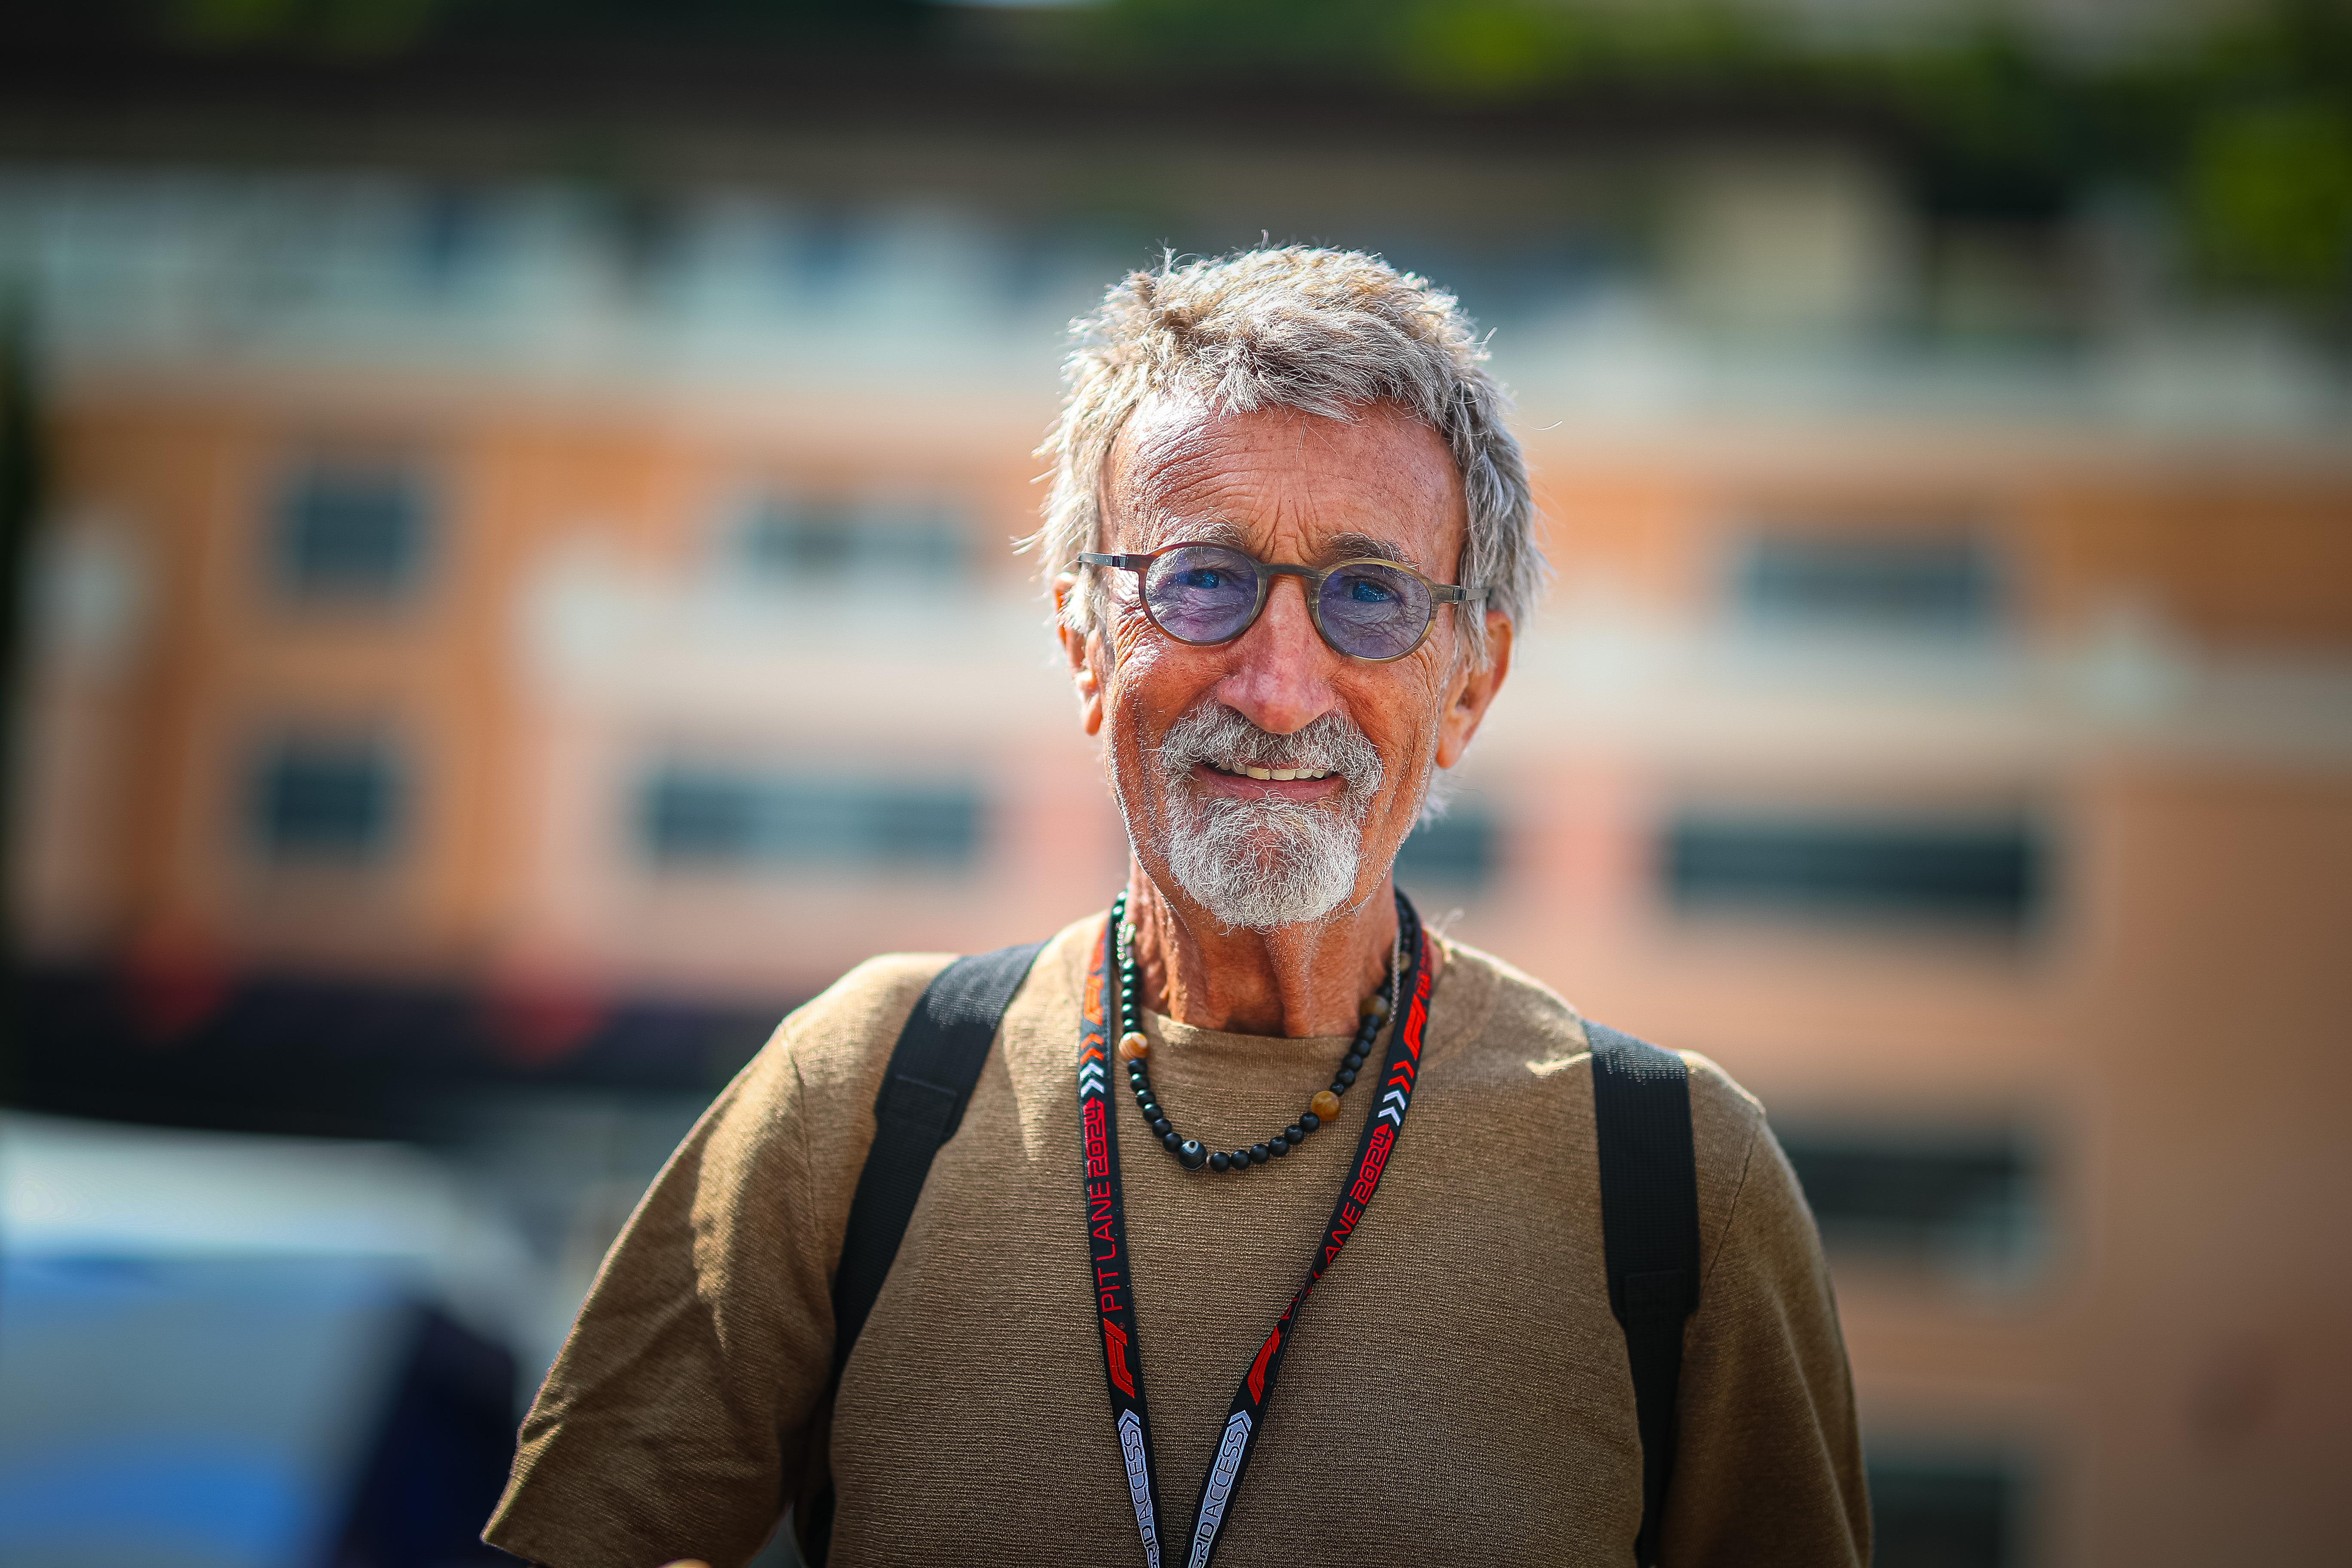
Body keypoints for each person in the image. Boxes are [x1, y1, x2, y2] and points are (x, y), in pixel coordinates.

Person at [484, 246, 1868, 1568]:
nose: (1276, 687)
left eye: (1369, 597)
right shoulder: (864, 1095)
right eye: (1203, 580)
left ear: (1470, 681)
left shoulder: (1681, 1181)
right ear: (1085, 641)